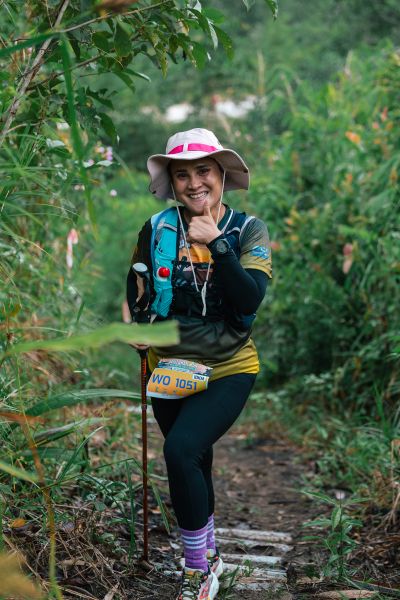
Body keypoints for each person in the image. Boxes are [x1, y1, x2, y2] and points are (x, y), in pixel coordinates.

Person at [126, 128, 272, 600]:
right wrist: (137, 326)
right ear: (172, 182)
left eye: (203, 171)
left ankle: (196, 572)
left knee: (180, 449)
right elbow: (136, 287)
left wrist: (217, 243)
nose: (194, 183)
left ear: (221, 174)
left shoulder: (248, 231)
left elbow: (250, 298)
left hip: (230, 365)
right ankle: (208, 553)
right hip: (169, 367)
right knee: (195, 457)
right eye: (182, 174)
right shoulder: (157, 228)